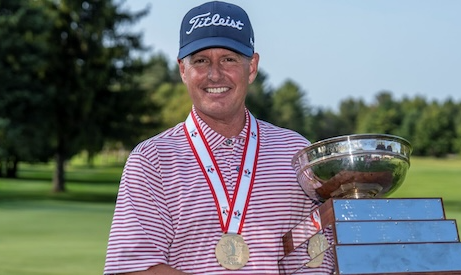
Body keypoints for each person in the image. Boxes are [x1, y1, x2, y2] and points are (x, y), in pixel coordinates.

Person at [104, 1, 332, 274]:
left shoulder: (295, 153)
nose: (214, 74)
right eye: (201, 61)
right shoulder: (152, 160)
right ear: (182, 70)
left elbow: (310, 261)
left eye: (229, 59)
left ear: (252, 67)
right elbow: (135, 269)